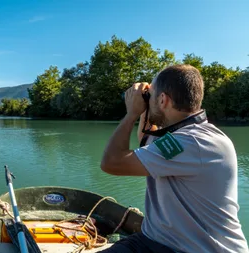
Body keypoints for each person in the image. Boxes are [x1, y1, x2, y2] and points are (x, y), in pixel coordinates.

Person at [99, 64, 249, 253]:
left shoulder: (194, 142)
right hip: (156, 240)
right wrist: (146, 109)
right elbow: (146, 145)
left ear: (163, 100)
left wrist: (132, 114)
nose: (147, 100)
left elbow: (112, 163)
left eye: (151, 97)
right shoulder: (182, 133)